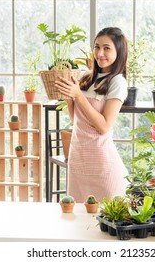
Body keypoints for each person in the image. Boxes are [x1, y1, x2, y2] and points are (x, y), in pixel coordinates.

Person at [54, 27, 129, 203]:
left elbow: (103, 127)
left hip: (102, 163)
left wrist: (78, 95)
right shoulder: (86, 78)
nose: (100, 53)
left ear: (119, 51)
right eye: (96, 47)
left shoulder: (117, 82)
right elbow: (76, 120)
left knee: (105, 221)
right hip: (78, 160)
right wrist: (69, 96)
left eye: (106, 48)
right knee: (78, 221)